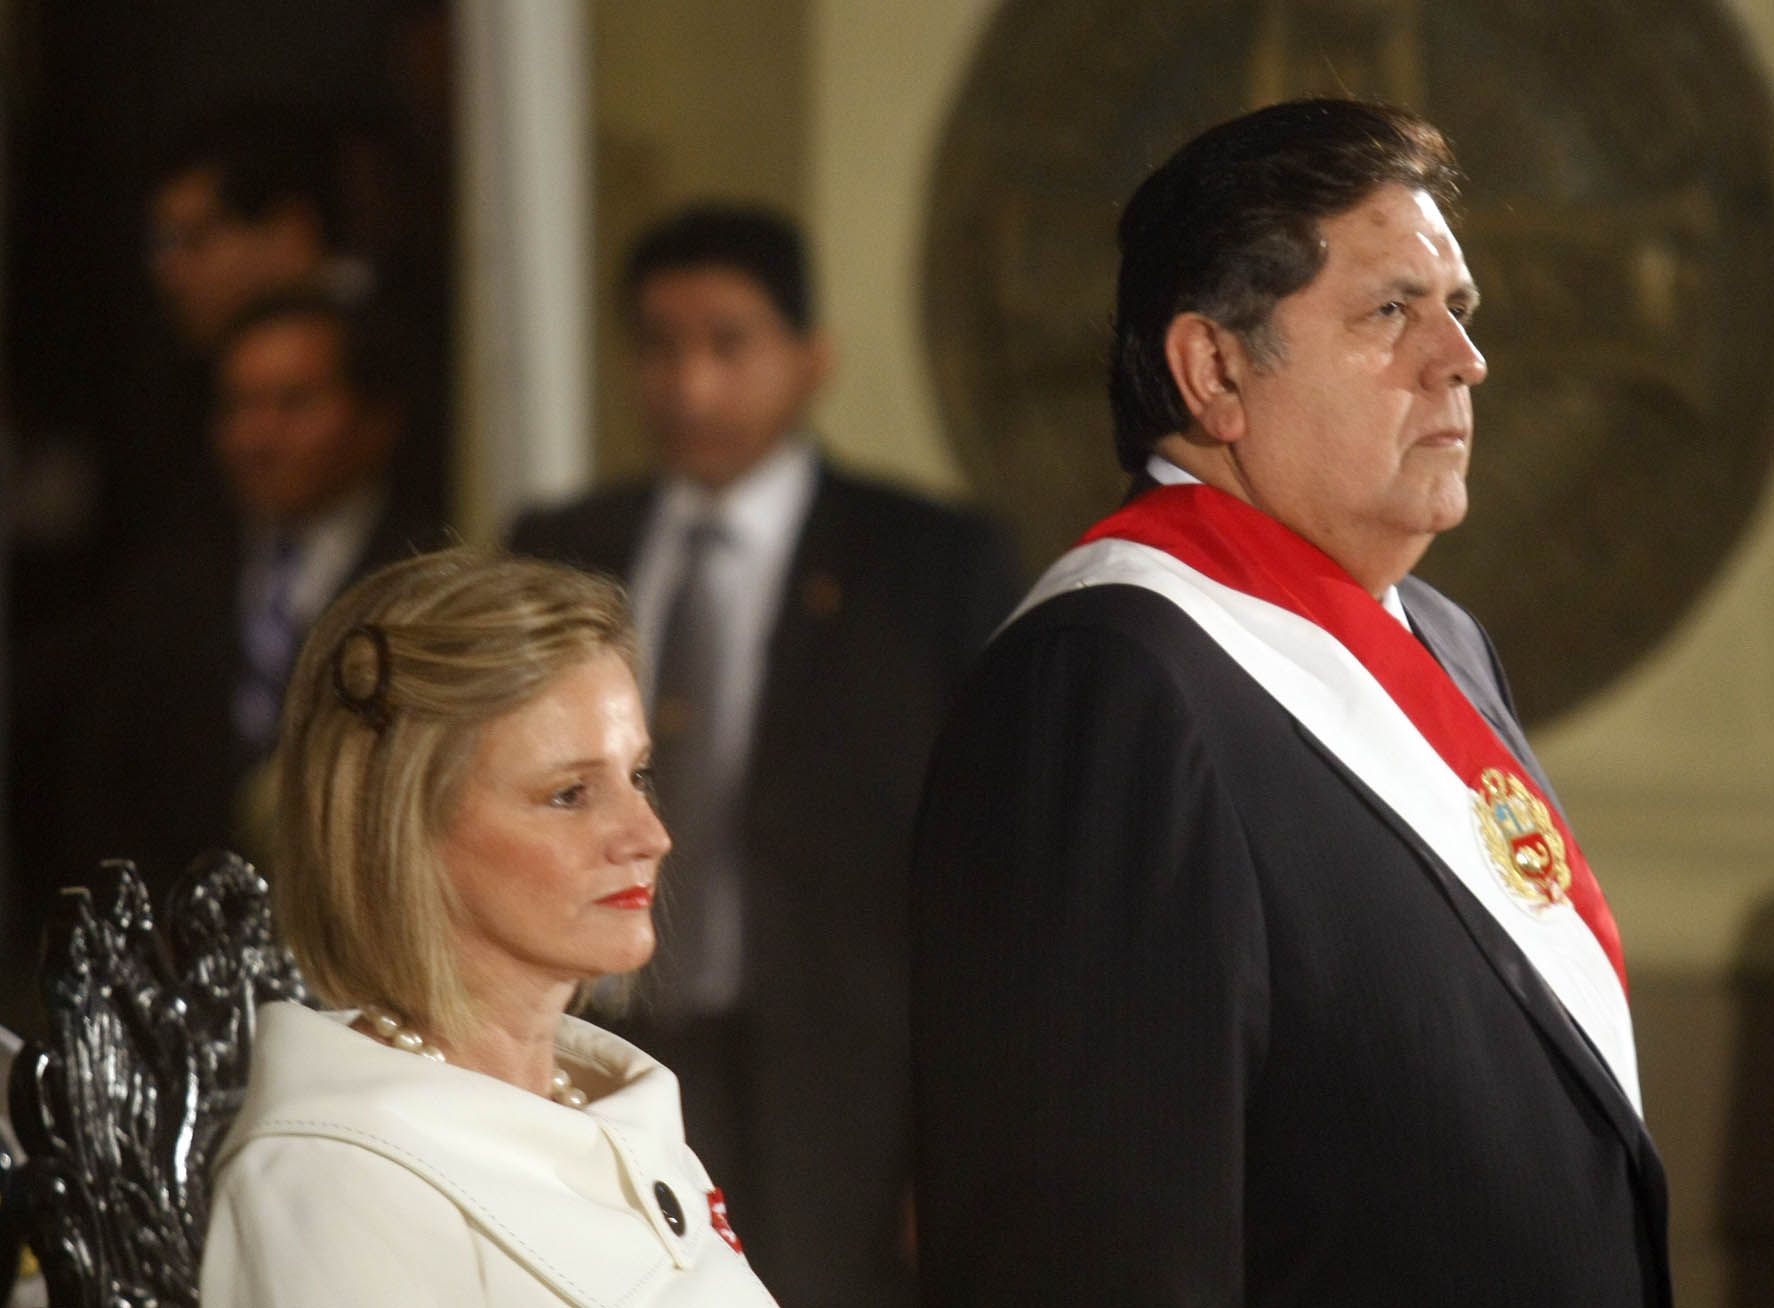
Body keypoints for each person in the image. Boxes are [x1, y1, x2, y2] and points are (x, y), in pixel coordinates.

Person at [910, 99, 1672, 1307]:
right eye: (1389, 312)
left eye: (1457, 309)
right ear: (1214, 369)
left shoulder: (1444, 640)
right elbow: (1087, 1240)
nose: (1463, 358)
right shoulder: (1104, 682)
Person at [510, 204, 1018, 1308]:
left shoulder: (928, 564)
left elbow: (990, 873)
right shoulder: (562, 545)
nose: (689, 385)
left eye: (728, 344)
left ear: (810, 358)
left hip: (844, 1087)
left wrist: (961, 1140)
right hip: (592, 1047)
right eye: (658, 346)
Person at [200, 548, 778, 1306]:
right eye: (570, 794)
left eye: (636, 776)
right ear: (402, 833)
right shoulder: (335, 1187)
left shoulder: (620, 1115)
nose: (649, 834)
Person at [11, 291, 438, 936]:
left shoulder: (434, 584)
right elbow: (105, 801)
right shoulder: (162, 583)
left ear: (376, 419)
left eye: (295, 403)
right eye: (238, 406)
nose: (257, 437)